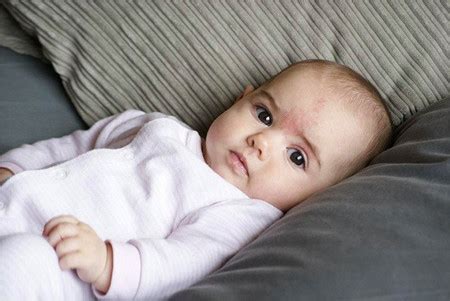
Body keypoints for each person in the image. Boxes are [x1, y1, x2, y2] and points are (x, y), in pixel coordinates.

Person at [0, 59, 392, 299]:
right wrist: (13, 168)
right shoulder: (156, 127)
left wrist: (107, 263)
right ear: (242, 98)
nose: (261, 142)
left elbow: (183, 262)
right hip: (13, 203)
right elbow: (73, 145)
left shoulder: (241, 215)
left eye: (296, 156)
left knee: (20, 263)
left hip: (66, 272)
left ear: (318, 196)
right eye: (264, 115)